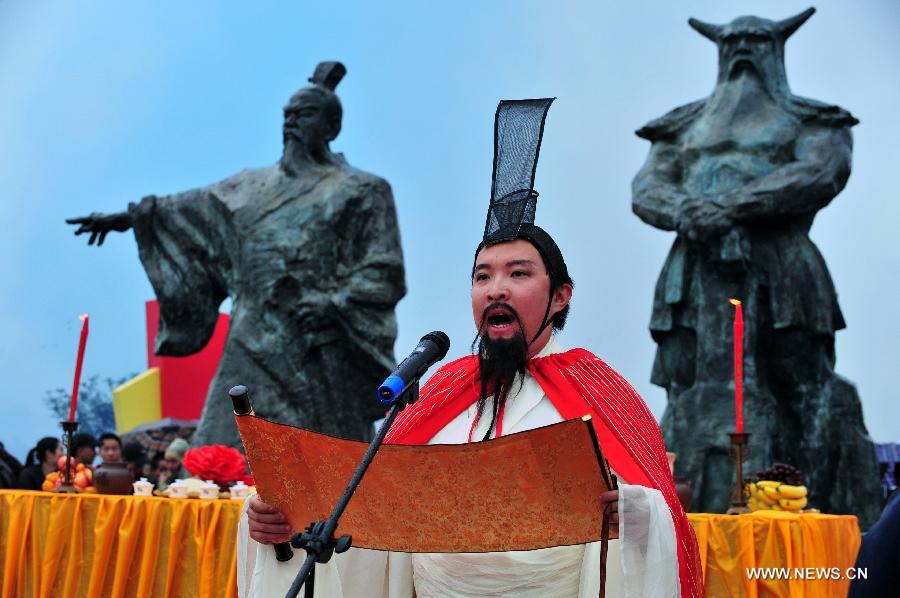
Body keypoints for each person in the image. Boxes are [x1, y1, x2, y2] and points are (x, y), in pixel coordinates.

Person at [240, 100, 701, 597]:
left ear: (561, 295)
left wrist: (637, 513)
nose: (495, 289)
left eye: (518, 274)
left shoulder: (600, 388)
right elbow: (368, 517)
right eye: (483, 277)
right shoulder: (440, 389)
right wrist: (284, 522)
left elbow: (663, 518)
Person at [65, 61, 405, 448]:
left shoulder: (362, 190)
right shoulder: (250, 187)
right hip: (251, 336)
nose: (292, 122)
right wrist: (129, 218)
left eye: (304, 113)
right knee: (216, 454)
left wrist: (333, 302)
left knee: (326, 463)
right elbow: (188, 210)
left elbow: (384, 269)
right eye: (287, 114)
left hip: (320, 342)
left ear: (332, 126)